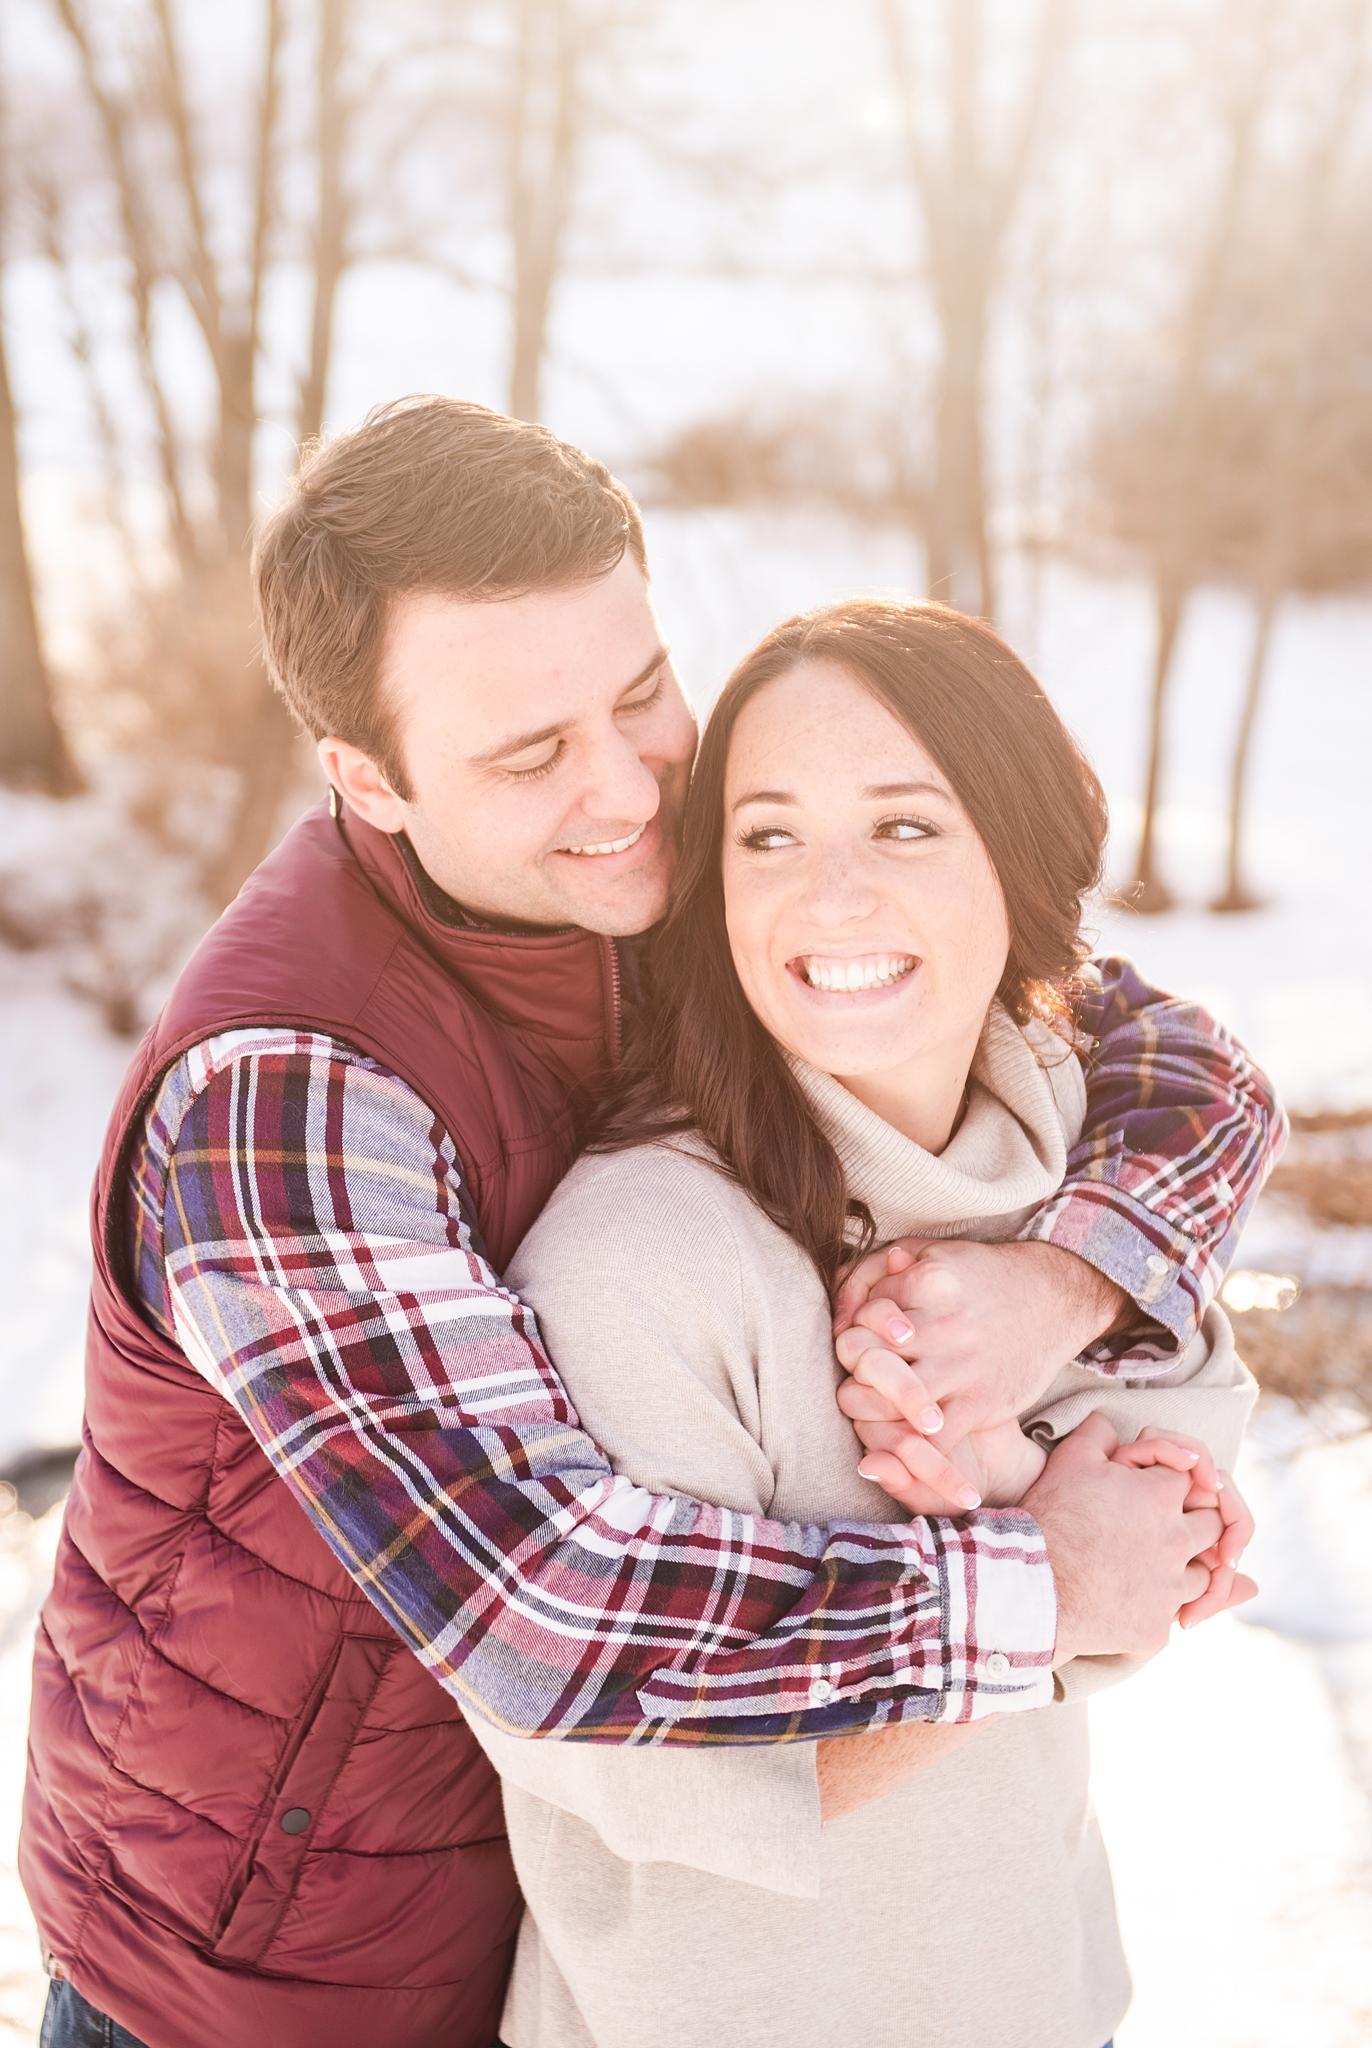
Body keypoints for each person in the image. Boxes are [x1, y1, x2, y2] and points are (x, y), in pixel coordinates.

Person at [21, 400, 1280, 2048]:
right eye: (532, 751)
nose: (625, 788)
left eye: (640, 695)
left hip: (552, 1933)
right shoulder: (287, 1100)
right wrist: (1044, 1587)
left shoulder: (654, 865)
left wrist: (1060, 1280)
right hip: (262, 1983)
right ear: (368, 781)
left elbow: (1151, 1047)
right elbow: (544, 1613)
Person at [471, 598, 1259, 2048]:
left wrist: (1031, 1455)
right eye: (770, 836)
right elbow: (638, 1751)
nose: (827, 898)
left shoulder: (1067, 1159)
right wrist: (1043, 1581)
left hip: (1037, 1998)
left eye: (904, 827)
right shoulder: (638, 1257)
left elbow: (1194, 1464)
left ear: (1015, 861)